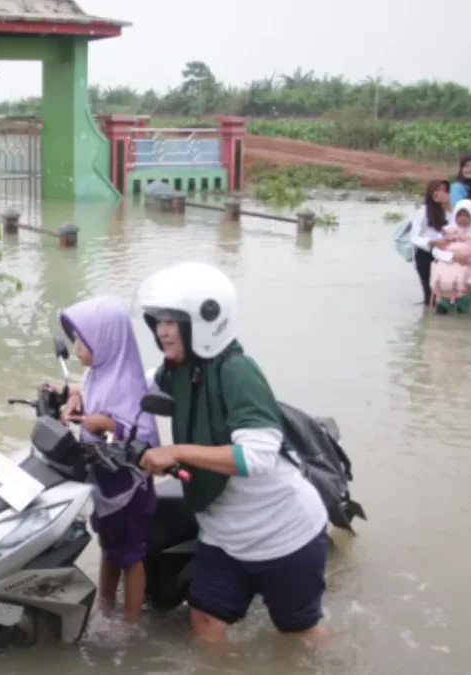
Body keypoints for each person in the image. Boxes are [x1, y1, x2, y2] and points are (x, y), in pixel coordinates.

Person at [133, 262, 330, 645]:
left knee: (300, 635)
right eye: (158, 321)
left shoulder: (237, 371)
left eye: (173, 321)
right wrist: (79, 393)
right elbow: (133, 385)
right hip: (224, 534)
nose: (162, 331)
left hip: (282, 533)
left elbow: (255, 457)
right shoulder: (178, 371)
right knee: (204, 621)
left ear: (206, 320)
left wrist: (175, 452)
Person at [58, 296, 159, 623]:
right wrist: (73, 396)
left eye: (83, 340)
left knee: (130, 556)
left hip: (128, 486)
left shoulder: (131, 386)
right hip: (103, 481)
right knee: (108, 546)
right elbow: (87, 394)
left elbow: (145, 435)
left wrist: (110, 425)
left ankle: (130, 622)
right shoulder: (97, 374)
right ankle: (104, 606)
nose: (75, 346)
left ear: (108, 342)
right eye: (74, 338)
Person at [429, 200, 471, 314]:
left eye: (467, 215)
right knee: (440, 318)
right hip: (443, 284)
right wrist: (453, 257)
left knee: (464, 318)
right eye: (459, 215)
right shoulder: (447, 231)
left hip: (466, 284)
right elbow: (436, 252)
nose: (463, 218)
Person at [411, 179, 453, 305]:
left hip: (444, 256)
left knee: (444, 293)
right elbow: (414, 237)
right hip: (425, 255)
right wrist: (432, 242)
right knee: (430, 294)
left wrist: (448, 206)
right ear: (430, 191)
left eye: (444, 191)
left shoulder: (449, 212)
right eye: (437, 189)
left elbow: (456, 229)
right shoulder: (423, 211)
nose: (440, 193)